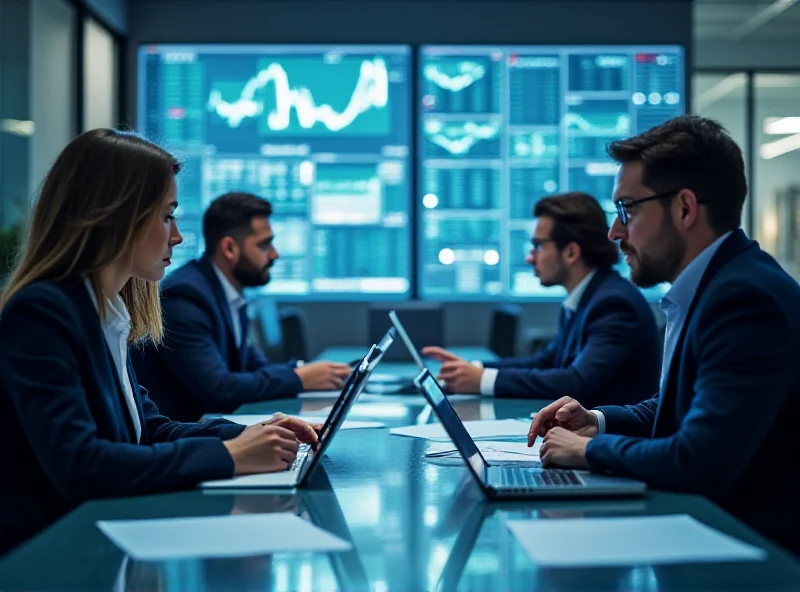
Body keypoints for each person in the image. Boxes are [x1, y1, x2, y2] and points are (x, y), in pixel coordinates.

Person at [0, 129, 318, 555]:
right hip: (49, 556)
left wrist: (251, 434)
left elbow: (148, 429)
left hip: (102, 539)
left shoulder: (106, 310)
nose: (178, 237)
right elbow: (82, 465)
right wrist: (231, 456)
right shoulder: (43, 312)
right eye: (167, 215)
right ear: (116, 215)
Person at [528, 115, 800, 555]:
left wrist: (588, 451)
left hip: (750, 557)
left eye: (626, 209)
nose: (615, 232)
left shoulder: (746, 300)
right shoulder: (718, 284)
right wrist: (595, 421)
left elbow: (697, 460)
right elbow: (682, 403)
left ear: (685, 208)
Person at [422, 192, 660, 406]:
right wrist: (470, 370)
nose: (530, 258)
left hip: (613, 444)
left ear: (571, 252)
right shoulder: (587, 298)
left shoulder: (614, 304)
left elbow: (576, 382)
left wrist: (483, 379)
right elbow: (545, 362)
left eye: (537, 246)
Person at [131, 192, 351, 422]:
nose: (275, 254)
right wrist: (298, 378)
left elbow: (253, 368)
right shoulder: (184, 296)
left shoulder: (228, 292)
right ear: (229, 248)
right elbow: (219, 388)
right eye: (264, 244)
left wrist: (308, 373)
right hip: (184, 439)